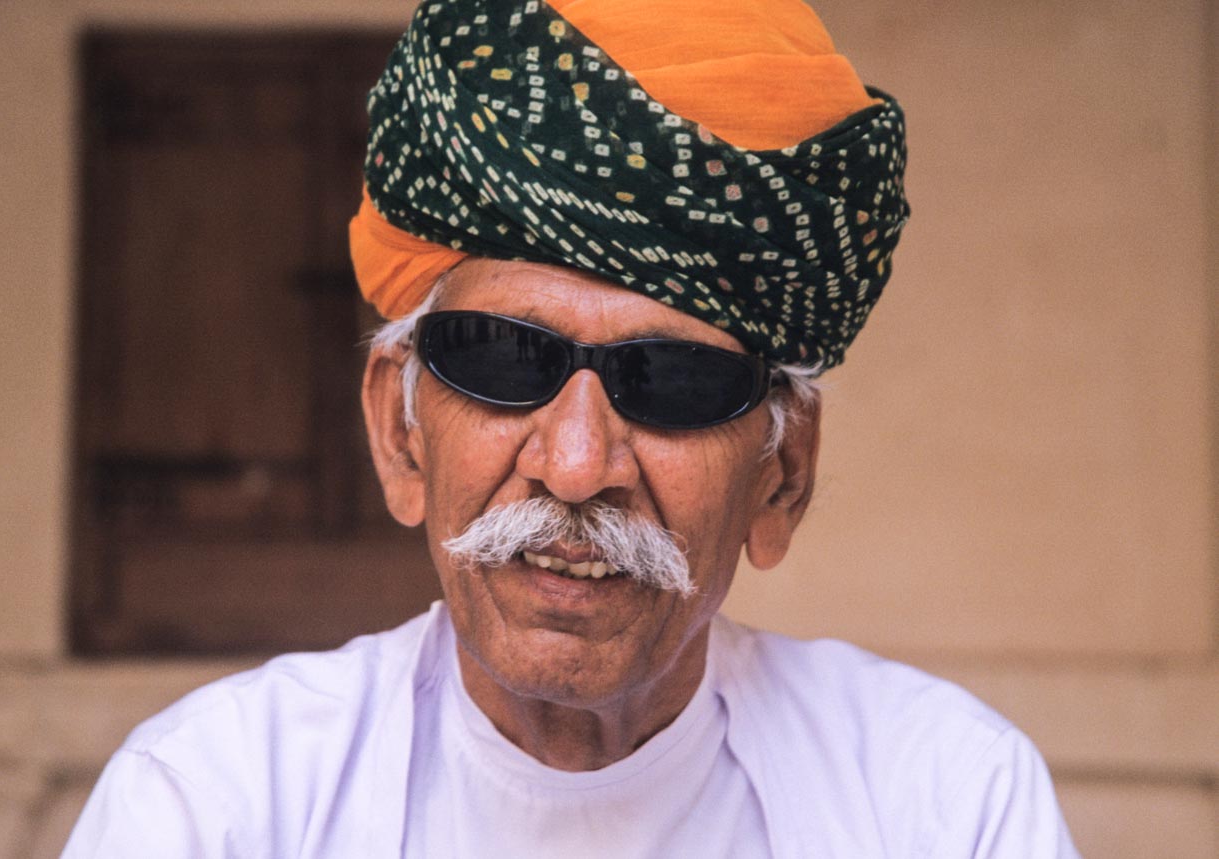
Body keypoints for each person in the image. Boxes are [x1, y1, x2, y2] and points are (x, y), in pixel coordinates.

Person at [64, 0, 1081, 855]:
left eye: (674, 381)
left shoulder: (941, 804)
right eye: (505, 360)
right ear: (398, 430)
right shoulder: (217, 805)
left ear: (781, 478)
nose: (578, 464)